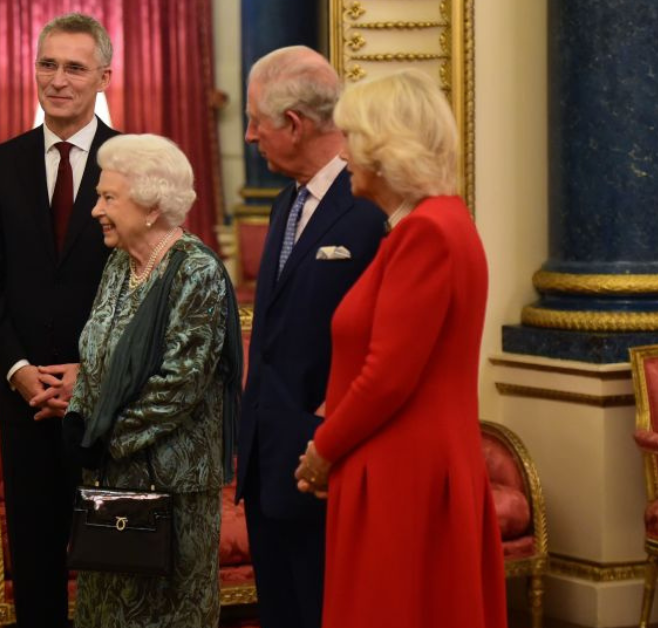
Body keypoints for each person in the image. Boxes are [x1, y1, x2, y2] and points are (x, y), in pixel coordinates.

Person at [294, 69, 507, 627]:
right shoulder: (433, 223)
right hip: (406, 466)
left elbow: (388, 375)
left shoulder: (427, 231)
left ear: (384, 149)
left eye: (351, 140)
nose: (344, 156)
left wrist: (323, 449)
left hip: (402, 474)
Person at [0, 13, 118, 627]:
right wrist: (19, 369)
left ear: (104, 76)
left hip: (107, 407)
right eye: (47, 65)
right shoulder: (1, 164)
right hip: (25, 403)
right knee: (36, 568)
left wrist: (94, 373)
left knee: (114, 565)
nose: (57, 80)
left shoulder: (131, 160)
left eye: (74, 67)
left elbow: (148, 285)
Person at [236, 46, 387, 628]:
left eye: (256, 121)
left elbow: (382, 345)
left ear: (293, 124)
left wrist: (328, 437)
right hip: (267, 459)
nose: (249, 135)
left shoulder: (368, 207)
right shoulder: (285, 203)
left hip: (325, 464)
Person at [65, 133, 241, 628]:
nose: (96, 210)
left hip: (173, 489)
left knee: (165, 616)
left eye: (108, 198)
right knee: (107, 613)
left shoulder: (197, 271)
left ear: (150, 205)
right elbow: (94, 353)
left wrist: (106, 436)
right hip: (113, 481)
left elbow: (180, 383)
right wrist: (80, 417)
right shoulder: (119, 265)